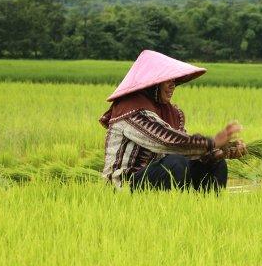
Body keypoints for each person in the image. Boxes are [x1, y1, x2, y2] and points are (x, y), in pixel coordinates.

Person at [99, 49, 247, 193]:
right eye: (167, 80)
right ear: (153, 83)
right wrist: (212, 142)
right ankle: (174, 209)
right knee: (175, 163)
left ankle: (206, 211)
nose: (173, 85)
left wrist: (221, 152)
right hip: (123, 186)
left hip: (154, 178)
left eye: (174, 80)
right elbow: (167, 142)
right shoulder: (131, 109)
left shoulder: (172, 113)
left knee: (215, 164)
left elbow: (188, 152)